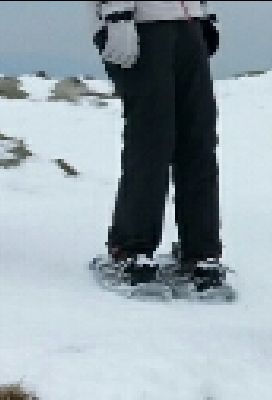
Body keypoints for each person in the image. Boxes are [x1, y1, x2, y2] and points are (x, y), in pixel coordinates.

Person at [88, 1, 228, 295]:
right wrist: (117, 14)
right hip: (139, 23)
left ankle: (201, 253)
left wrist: (202, 14)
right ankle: (130, 250)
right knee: (151, 138)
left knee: (198, 138)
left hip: (187, 23)